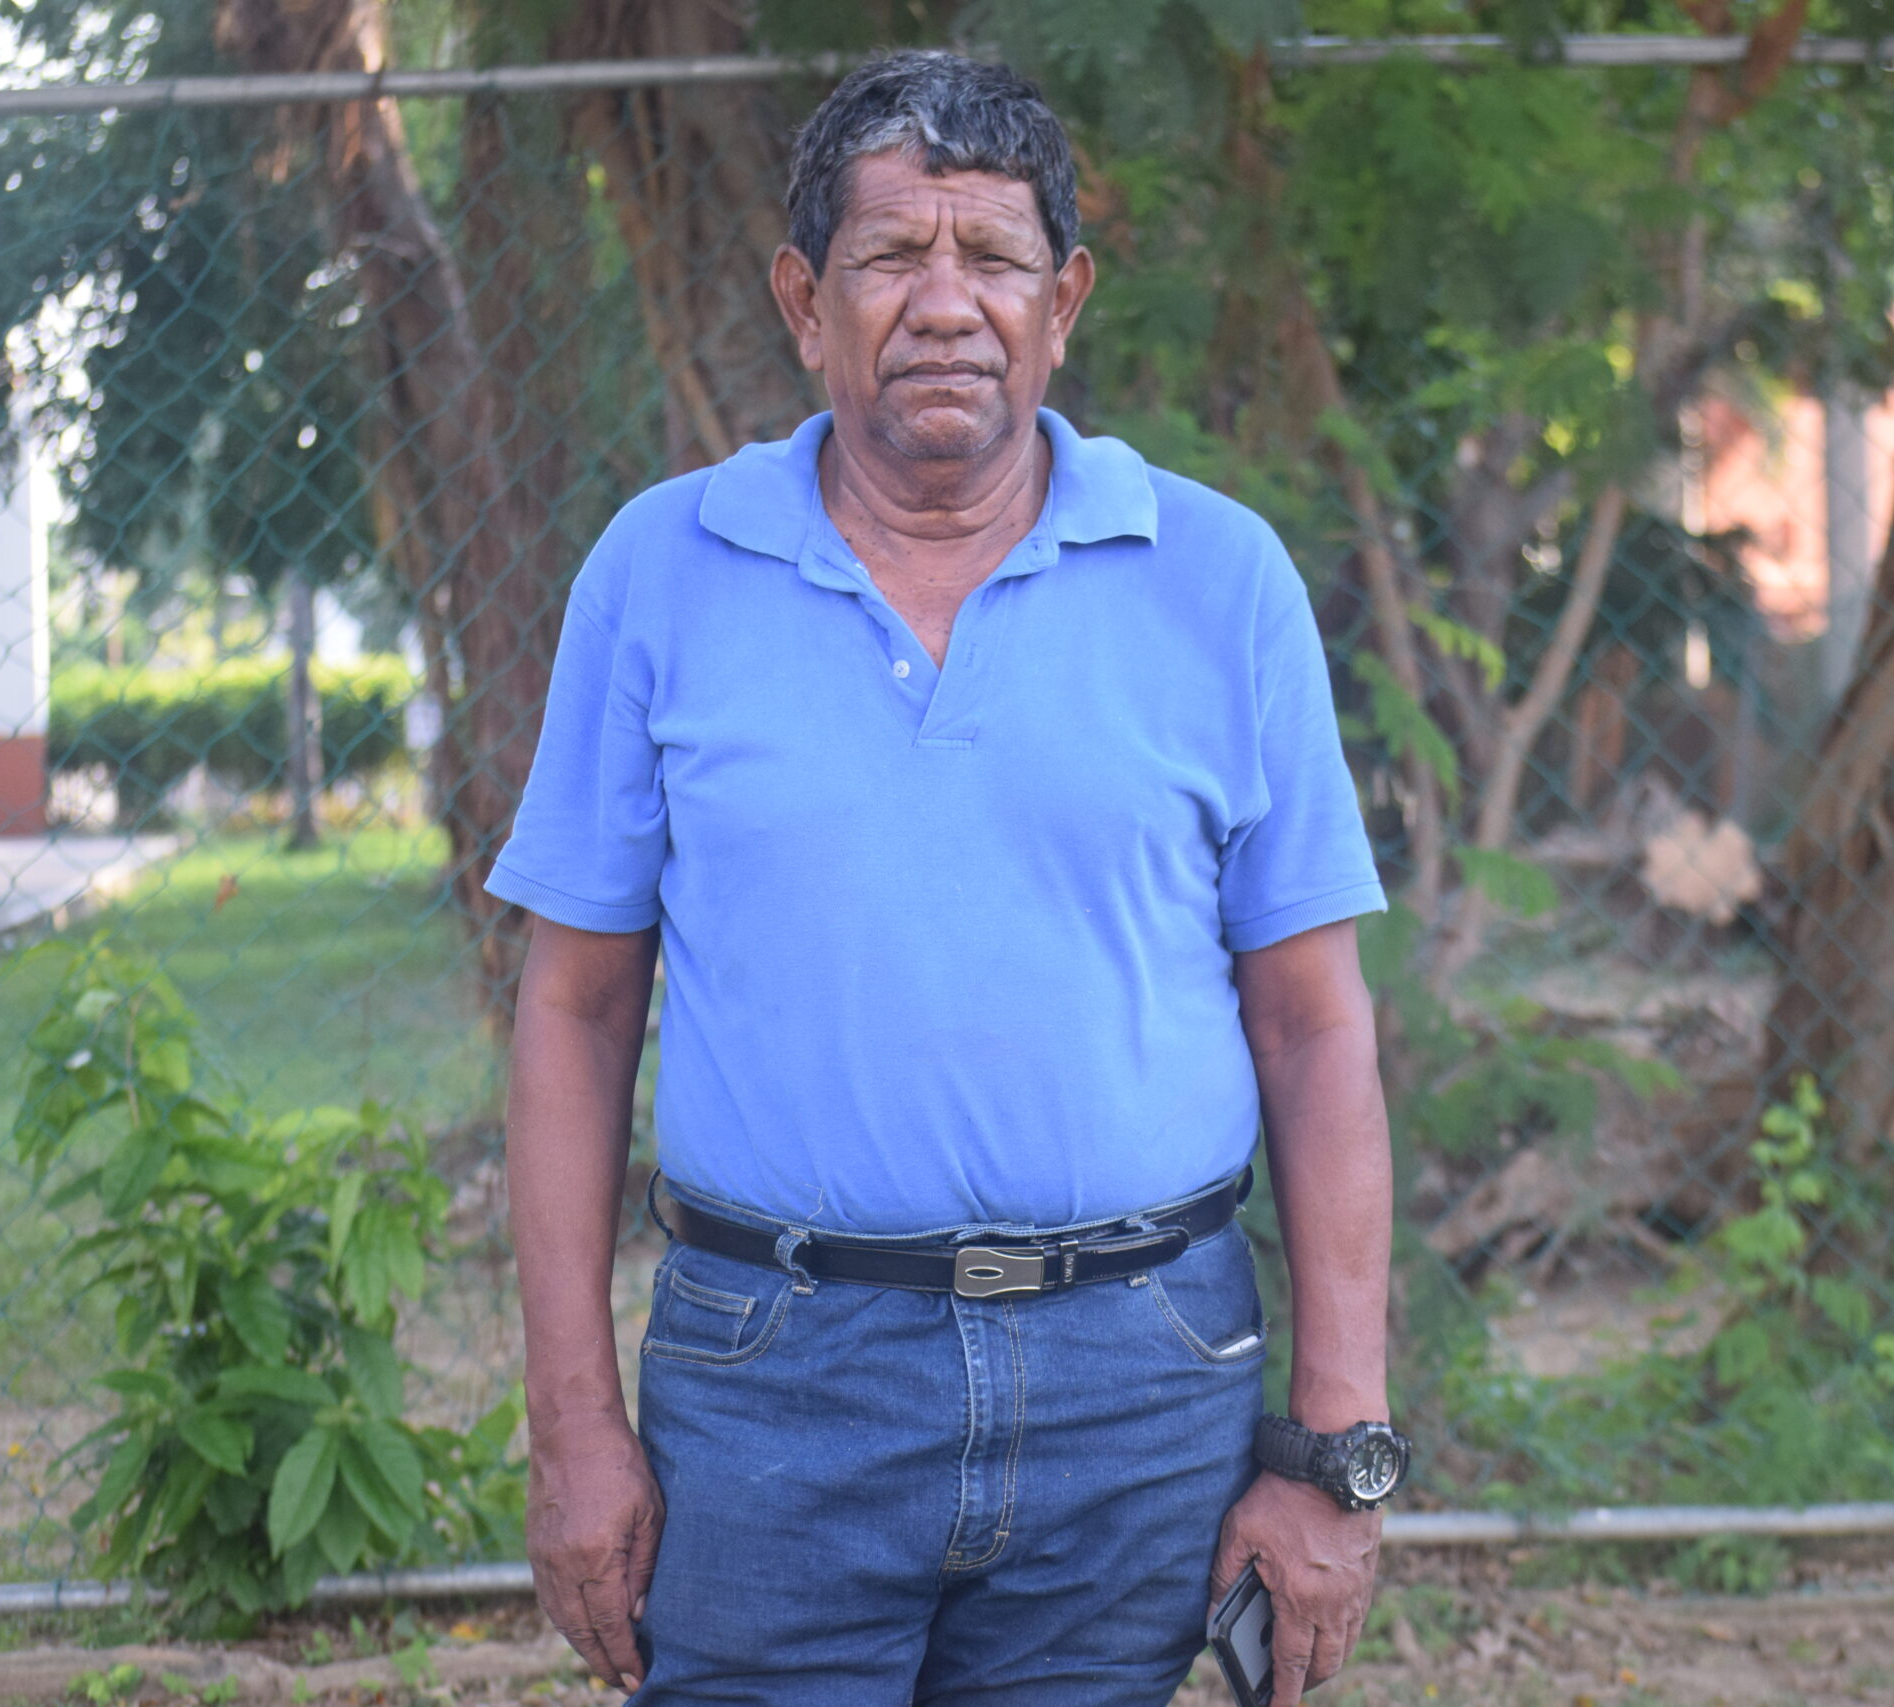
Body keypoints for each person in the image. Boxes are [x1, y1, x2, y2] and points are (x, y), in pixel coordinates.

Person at [491, 49, 1405, 1706]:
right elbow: (571, 1008)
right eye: (890, 255)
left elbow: (1316, 1031)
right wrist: (571, 1426)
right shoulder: (661, 571)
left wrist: (1335, 1451)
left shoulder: (1219, 579)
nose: (943, 302)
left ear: (1063, 303)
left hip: (1142, 1385)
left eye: (990, 258)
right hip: (772, 1384)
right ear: (801, 299)